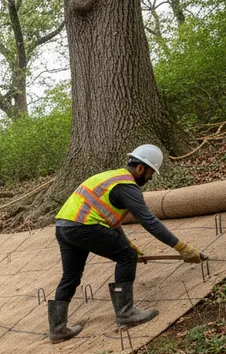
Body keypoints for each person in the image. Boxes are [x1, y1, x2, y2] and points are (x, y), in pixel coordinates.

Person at [48, 145, 206, 343]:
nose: (150, 179)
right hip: (84, 227)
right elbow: (150, 222)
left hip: (64, 227)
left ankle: (57, 329)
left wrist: (127, 243)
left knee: (71, 275)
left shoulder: (112, 178)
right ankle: (125, 314)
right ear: (140, 168)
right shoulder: (127, 187)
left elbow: (108, 218)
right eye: (150, 173)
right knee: (126, 257)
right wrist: (182, 247)